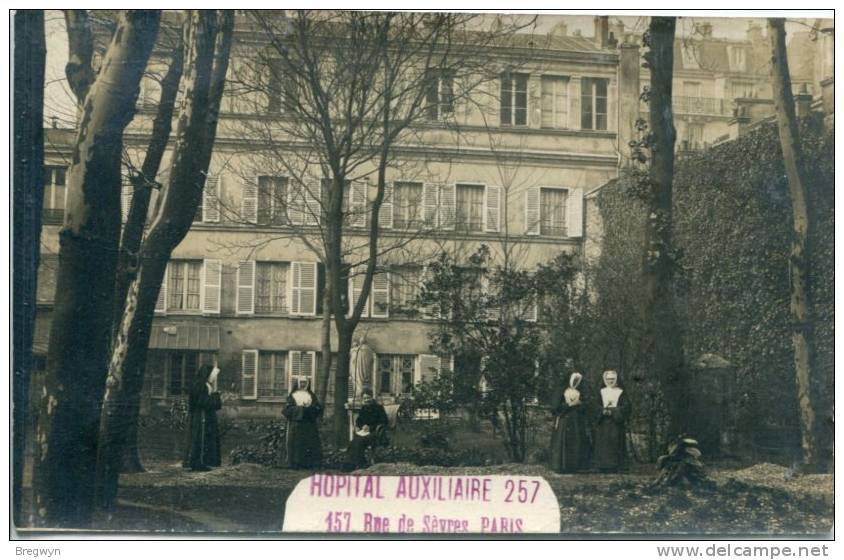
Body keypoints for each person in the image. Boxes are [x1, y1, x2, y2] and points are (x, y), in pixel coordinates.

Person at [184, 360, 222, 471]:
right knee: (199, 438)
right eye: (212, 376)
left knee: (203, 437)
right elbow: (203, 402)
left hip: (203, 415)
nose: (213, 378)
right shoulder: (201, 385)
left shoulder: (202, 384)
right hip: (202, 416)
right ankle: (198, 462)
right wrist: (216, 397)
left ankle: (204, 461)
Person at [549, 372, 591, 473]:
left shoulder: (580, 392)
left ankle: (574, 466)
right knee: (563, 442)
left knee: (576, 441)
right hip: (564, 420)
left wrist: (580, 404)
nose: (576, 383)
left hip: (576, 421)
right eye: (574, 380)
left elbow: (586, 407)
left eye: (578, 381)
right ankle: (561, 466)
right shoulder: (562, 391)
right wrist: (570, 405)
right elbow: (555, 408)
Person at [593, 369, 631, 472]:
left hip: (615, 423)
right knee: (603, 443)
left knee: (616, 443)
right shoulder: (601, 392)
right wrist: (602, 411)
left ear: (616, 379)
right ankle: (602, 466)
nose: (610, 381)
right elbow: (595, 406)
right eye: (608, 379)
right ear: (605, 379)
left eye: (613, 379)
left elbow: (626, 407)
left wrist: (613, 412)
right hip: (603, 423)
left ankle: (616, 466)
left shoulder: (621, 392)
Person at [283, 382, 323, 469]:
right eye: (301, 383)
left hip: (309, 424)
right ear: (297, 383)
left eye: (304, 383)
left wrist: (310, 408)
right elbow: (287, 410)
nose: (302, 385)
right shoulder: (292, 396)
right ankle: (295, 463)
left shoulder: (311, 395)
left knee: (310, 442)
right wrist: (300, 409)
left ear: (308, 384)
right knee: (297, 444)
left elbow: (318, 407)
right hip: (296, 424)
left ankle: (309, 463)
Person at [347, 389, 389, 469]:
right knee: (354, 441)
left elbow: (384, 421)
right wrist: (362, 426)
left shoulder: (378, 408)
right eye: (365, 398)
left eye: (368, 398)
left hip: (375, 433)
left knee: (360, 441)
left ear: (372, 398)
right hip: (364, 432)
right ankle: (354, 463)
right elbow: (359, 421)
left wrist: (370, 427)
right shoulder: (364, 408)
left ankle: (360, 463)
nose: (367, 400)